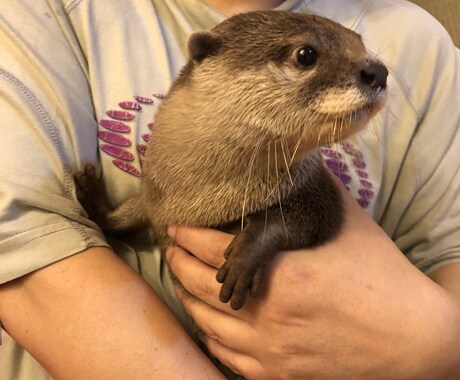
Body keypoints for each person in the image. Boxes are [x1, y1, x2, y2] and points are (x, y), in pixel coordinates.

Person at [0, 0, 459, 379]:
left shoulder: (421, 43)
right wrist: (110, 216)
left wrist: (434, 345)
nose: (374, 75)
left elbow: (317, 214)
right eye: (306, 58)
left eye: (362, 58)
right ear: (206, 63)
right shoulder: (46, 13)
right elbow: (147, 208)